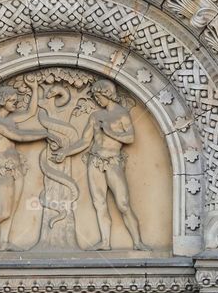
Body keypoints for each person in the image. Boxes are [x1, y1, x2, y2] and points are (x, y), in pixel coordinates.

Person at [52, 79, 150, 251]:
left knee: (123, 203)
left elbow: (130, 138)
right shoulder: (95, 116)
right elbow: (84, 141)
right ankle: (105, 242)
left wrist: (110, 131)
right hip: (95, 161)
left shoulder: (121, 114)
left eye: (99, 96)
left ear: (107, 94)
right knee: (99, 203)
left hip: (113, 161)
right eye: (95, 97)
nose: (97, 100)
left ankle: (137, 242)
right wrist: (65, 152)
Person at [0, 79, 61, 252]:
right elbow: (19, 136)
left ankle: (4, 242)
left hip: (16, 169)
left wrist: (34, 89)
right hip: (2, 169)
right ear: (3, 101)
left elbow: (31, 112)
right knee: (4, 211)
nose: (16, 103)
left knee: (11, 210)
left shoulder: (10, 119)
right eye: (12, 100)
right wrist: (46, 134)